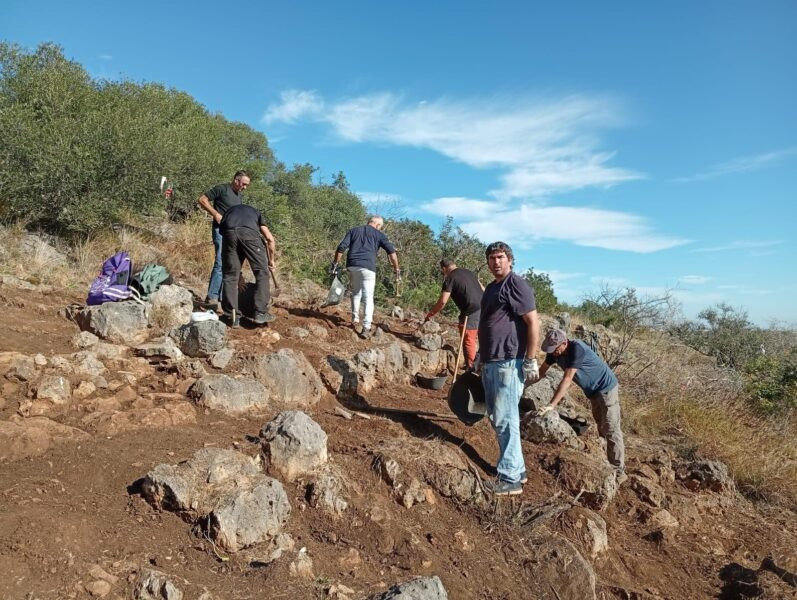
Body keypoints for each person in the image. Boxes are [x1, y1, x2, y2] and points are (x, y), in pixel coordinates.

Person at [478, 241, 540, 496]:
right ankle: (518, 470)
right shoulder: (492, 288)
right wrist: (481, 355)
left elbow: (533, 322)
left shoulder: (516, 284)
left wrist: (530, 359)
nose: (496, 262)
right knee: (497, 416)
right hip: (492, 360)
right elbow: (488, 323)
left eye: (501, 257)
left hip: (509, 361)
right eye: (492, 258)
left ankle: (510, 478)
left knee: (505, 418)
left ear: (510, 260)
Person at [536, 328, 626, 481]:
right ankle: (605, 459)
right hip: (592, 393)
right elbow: (541, 371)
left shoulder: (576, 349)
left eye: (556, 349)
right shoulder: (554, 353)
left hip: (606, 389)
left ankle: (618, 471)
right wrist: (523, 386)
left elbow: (567, 379)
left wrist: (551, 405)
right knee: (601, 425)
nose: (553, 353)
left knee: (611, 427)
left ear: (564, 343)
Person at [332, 216, 400, 339]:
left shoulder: (354, 230)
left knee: (355, 292)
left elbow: (341, 247)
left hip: (352, 265)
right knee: (368, 297)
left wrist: (335, 264)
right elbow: (392, 253)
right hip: (368, 268)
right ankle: (366, 327)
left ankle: (355, 318)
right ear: (378, 225)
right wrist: (396, 269)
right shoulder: (379, 235)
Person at [197, 170, 251, 309]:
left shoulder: (238, 196)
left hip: (233, 234)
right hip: (220, 231)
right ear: (236, 180)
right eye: (243, 184)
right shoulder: (221, 189)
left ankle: (222, 299)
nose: (245, 187)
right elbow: (202, 199)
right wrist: (215, 214)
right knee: (220, 262)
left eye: (247, 185)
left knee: (229, 264)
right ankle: (212, 297)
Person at [218, 203, 276, 328]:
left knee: (230, 276)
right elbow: (270, 239)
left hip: (229, 234)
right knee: (262, 272)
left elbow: (223, 232)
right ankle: (260, 312)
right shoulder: (256, 213)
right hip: (249, 234)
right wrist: (271, 261)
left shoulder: (228, 212)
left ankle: (232, 316)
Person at [424, 259, 484, 369]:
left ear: (444, 269)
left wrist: (431, 314)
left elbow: (443, 301)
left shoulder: (450, 278)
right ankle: (480, 365)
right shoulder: (469, 272)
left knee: (468, 339)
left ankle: (472, 370)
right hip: (485, 306)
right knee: (483, 338)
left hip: (471, 311)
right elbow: (483, 288)